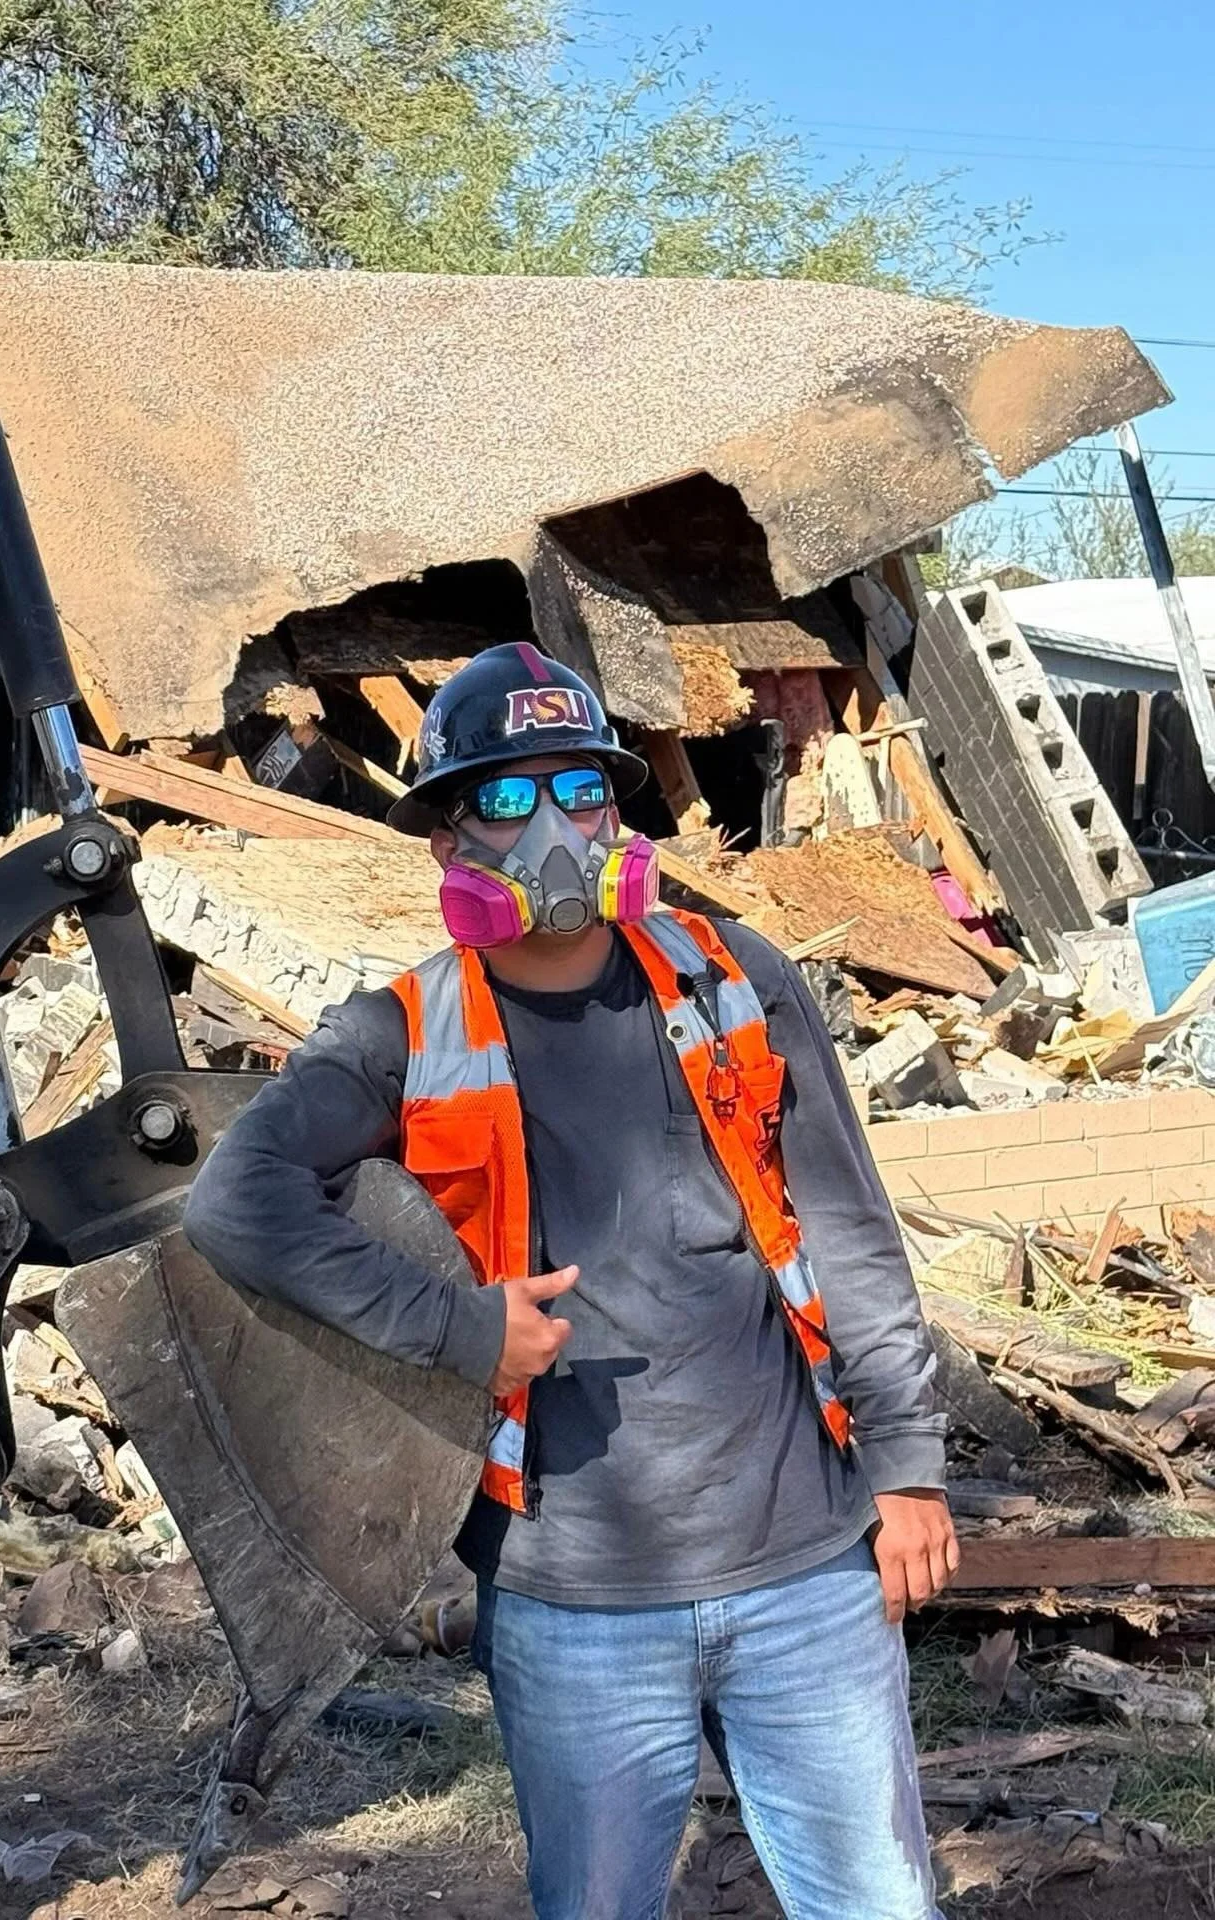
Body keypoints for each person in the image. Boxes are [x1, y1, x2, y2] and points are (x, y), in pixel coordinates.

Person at [185, 641, 957, 1920]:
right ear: (446, 842)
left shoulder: (733, 980)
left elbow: (847, 1225)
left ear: (617, 810)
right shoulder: (397, 1031)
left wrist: (909, 1465)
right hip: (570, 1601)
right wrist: (456, 1329)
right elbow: (239, 1200)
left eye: (579, 790)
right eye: (503, 798)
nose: (551, 826)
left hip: (805, 1569)